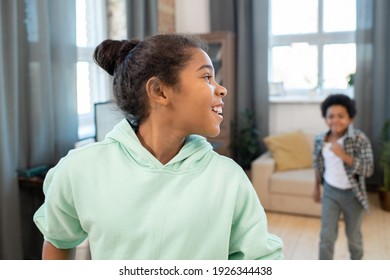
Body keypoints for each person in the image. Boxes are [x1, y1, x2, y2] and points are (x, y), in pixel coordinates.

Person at [33, 33, 283, 260]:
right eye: (207, 76)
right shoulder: (80, 169)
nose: (222, 89)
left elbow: (261, 260)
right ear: (159, 91)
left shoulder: (228, 178)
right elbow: (58, 240)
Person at [312, 93, 374, 260]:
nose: (335, 120)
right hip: (330, 192)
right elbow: (317, 165)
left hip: (353, 195)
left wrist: (343, 155)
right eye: (331, 116)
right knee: (326, 236)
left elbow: (368, 170)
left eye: (341, 116)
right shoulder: (320, 139)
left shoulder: (359, 139)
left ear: (350, 118)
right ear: (325, 118)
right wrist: (316, 188)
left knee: (354, 237)